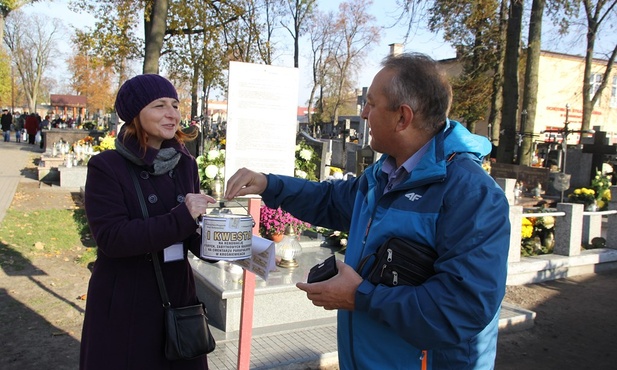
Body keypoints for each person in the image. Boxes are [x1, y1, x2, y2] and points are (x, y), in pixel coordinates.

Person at [224, 53, 510, 369]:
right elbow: (328, 201)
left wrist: (361, 297)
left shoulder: (471, 194)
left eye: (371, 104)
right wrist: (268, 184)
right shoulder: (383, 174)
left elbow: (462, 309)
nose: (363, 114)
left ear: (403, 117)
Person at [80, 74, 216, 370]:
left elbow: (190, 234)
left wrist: (223, 242)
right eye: (159, 105)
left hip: (178, 298)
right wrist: (181, 216)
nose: (172, 114)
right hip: (127, 301)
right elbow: (112, 238)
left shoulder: (185, 164)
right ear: (134, 115)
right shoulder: (107, 167)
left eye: (175, 105)